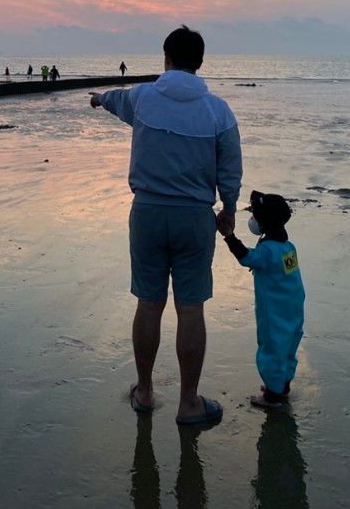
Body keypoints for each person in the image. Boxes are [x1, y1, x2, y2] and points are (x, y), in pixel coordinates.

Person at [90, 25, 242, 426]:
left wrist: (97, 99)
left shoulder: (143, 98)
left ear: (166, 58)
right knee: (191, 309)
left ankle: (144, 391)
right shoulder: (218, 111)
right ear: (200, 63)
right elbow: (230, 169)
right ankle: (188, 403)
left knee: (149, 304)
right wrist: (228, 210)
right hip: (194, 218)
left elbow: (114, 99)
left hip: (148, 215)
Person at [221, 190, 305, 411]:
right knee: (287, 348)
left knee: (272, 348)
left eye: (256, 216)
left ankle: (273, 396)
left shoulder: (267, 251)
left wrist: (229, 235)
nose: (253, 220)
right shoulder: (288, 247)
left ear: (265, 222)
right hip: (293, 309)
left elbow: (246, 257)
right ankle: (281, 385)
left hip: (274, 312)